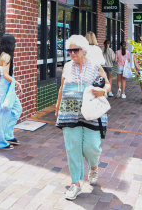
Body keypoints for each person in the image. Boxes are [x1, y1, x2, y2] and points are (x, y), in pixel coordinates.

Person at [55, 35, 111, 200]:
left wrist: (104, 90)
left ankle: (93, 167)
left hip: (91, 114)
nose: (72, 54)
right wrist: (57, 108)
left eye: (75, 50)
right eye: (69, 50)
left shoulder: (94, 66)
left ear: (83, 50)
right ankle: (76, 183)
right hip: (69, 114)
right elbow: (61, 88)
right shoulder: (66, 66)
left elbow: (107, 84)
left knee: (91, 147)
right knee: (72, 148)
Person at [0, 34, 23, 150]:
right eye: (14, 43)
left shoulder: (2, 54)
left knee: (17, 109)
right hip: (6, 87)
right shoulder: (6, 57)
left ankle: (7, 135)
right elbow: (4, 75)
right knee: (3, 115)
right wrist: (17, 83)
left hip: (5, 87)